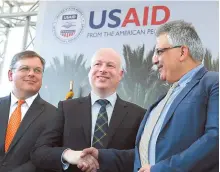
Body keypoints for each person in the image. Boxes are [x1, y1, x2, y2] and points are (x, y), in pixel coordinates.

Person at [81, 20, 219, 172]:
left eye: (159, 51)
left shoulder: (213, 83)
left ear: (182, 52)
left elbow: (215, 140)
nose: (154, 59)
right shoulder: (161, 101)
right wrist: (102, 156)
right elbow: (146, 155)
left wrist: (161, 169)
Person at [31, 48, 146, 172]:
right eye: (97, 64)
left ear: (120, 74)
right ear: (90, 71)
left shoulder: (138, 114)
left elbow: (143, 156)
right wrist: (68, 154)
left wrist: (105, 158)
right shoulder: (67, 109)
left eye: (110, 65)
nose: (102, 70)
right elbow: (40, 151)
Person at [0, 50, 57, 172]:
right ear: (10, 75)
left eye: (37, 70)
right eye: (25, 68)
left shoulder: (54, 115)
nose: (31, 74)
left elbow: (46, 156)